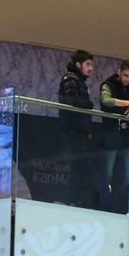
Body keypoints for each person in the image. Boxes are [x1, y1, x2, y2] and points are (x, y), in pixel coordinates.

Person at [98, 60, 129, 213]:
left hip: (126, 138)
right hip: (110, 134)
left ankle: (113, 207)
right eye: (125, 75)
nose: (127, 79)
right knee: (106, 174)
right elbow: (106, 100)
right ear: (119, 72)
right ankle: (105, 206)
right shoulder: (108, 84)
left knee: (126, 177)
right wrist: (128, 103)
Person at [56, 50, 96, 207]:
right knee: (77, 168)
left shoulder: (77, 81)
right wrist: (89, 104)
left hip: (78, 131)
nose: (91, 68)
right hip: (73, 131)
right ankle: (72, 201)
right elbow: (72, 102)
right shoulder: (70, 79)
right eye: (88, 64)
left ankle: (74, 201)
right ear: (78, 65)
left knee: (79, 169)